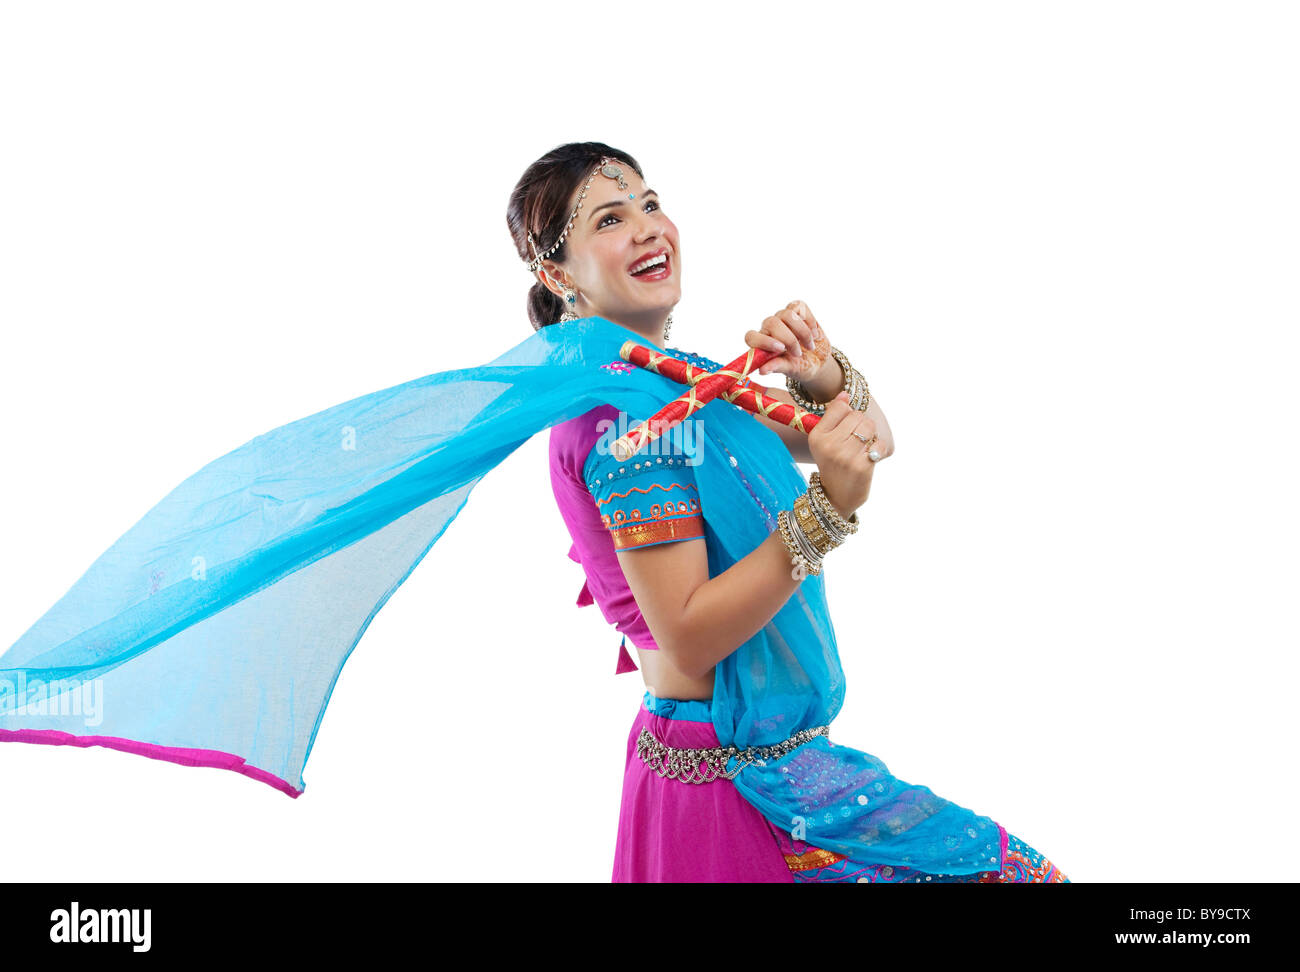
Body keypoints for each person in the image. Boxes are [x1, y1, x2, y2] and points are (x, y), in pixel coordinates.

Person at [510, 141, 1070, 883]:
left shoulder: (688, 383)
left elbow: (872, 441)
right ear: (556, 274)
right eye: (611, 219)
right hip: (727, 787)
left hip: (786, 766)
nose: (648, 227)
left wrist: (823, 371)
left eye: (650, 204)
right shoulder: (625, 425)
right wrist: (826, 511)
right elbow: (688, 635)